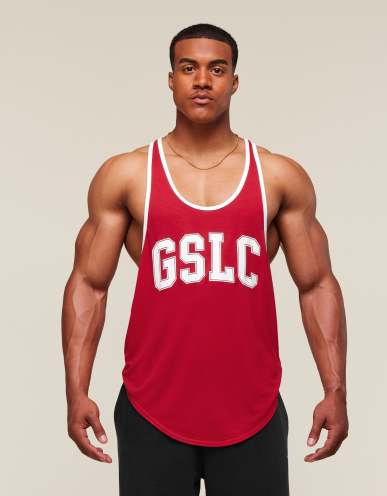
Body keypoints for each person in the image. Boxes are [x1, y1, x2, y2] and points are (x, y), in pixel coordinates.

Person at [61, 22, 349, 496]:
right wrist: (76, 391)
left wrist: (335, 390)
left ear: (234, 81)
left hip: (252, 408)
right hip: (151, 407)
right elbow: (89, 285)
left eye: (216, 69)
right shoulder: (128, 175)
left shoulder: (277, 176)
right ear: (170, 79)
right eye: (188, 68)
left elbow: (316, 284)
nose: (201, 80)